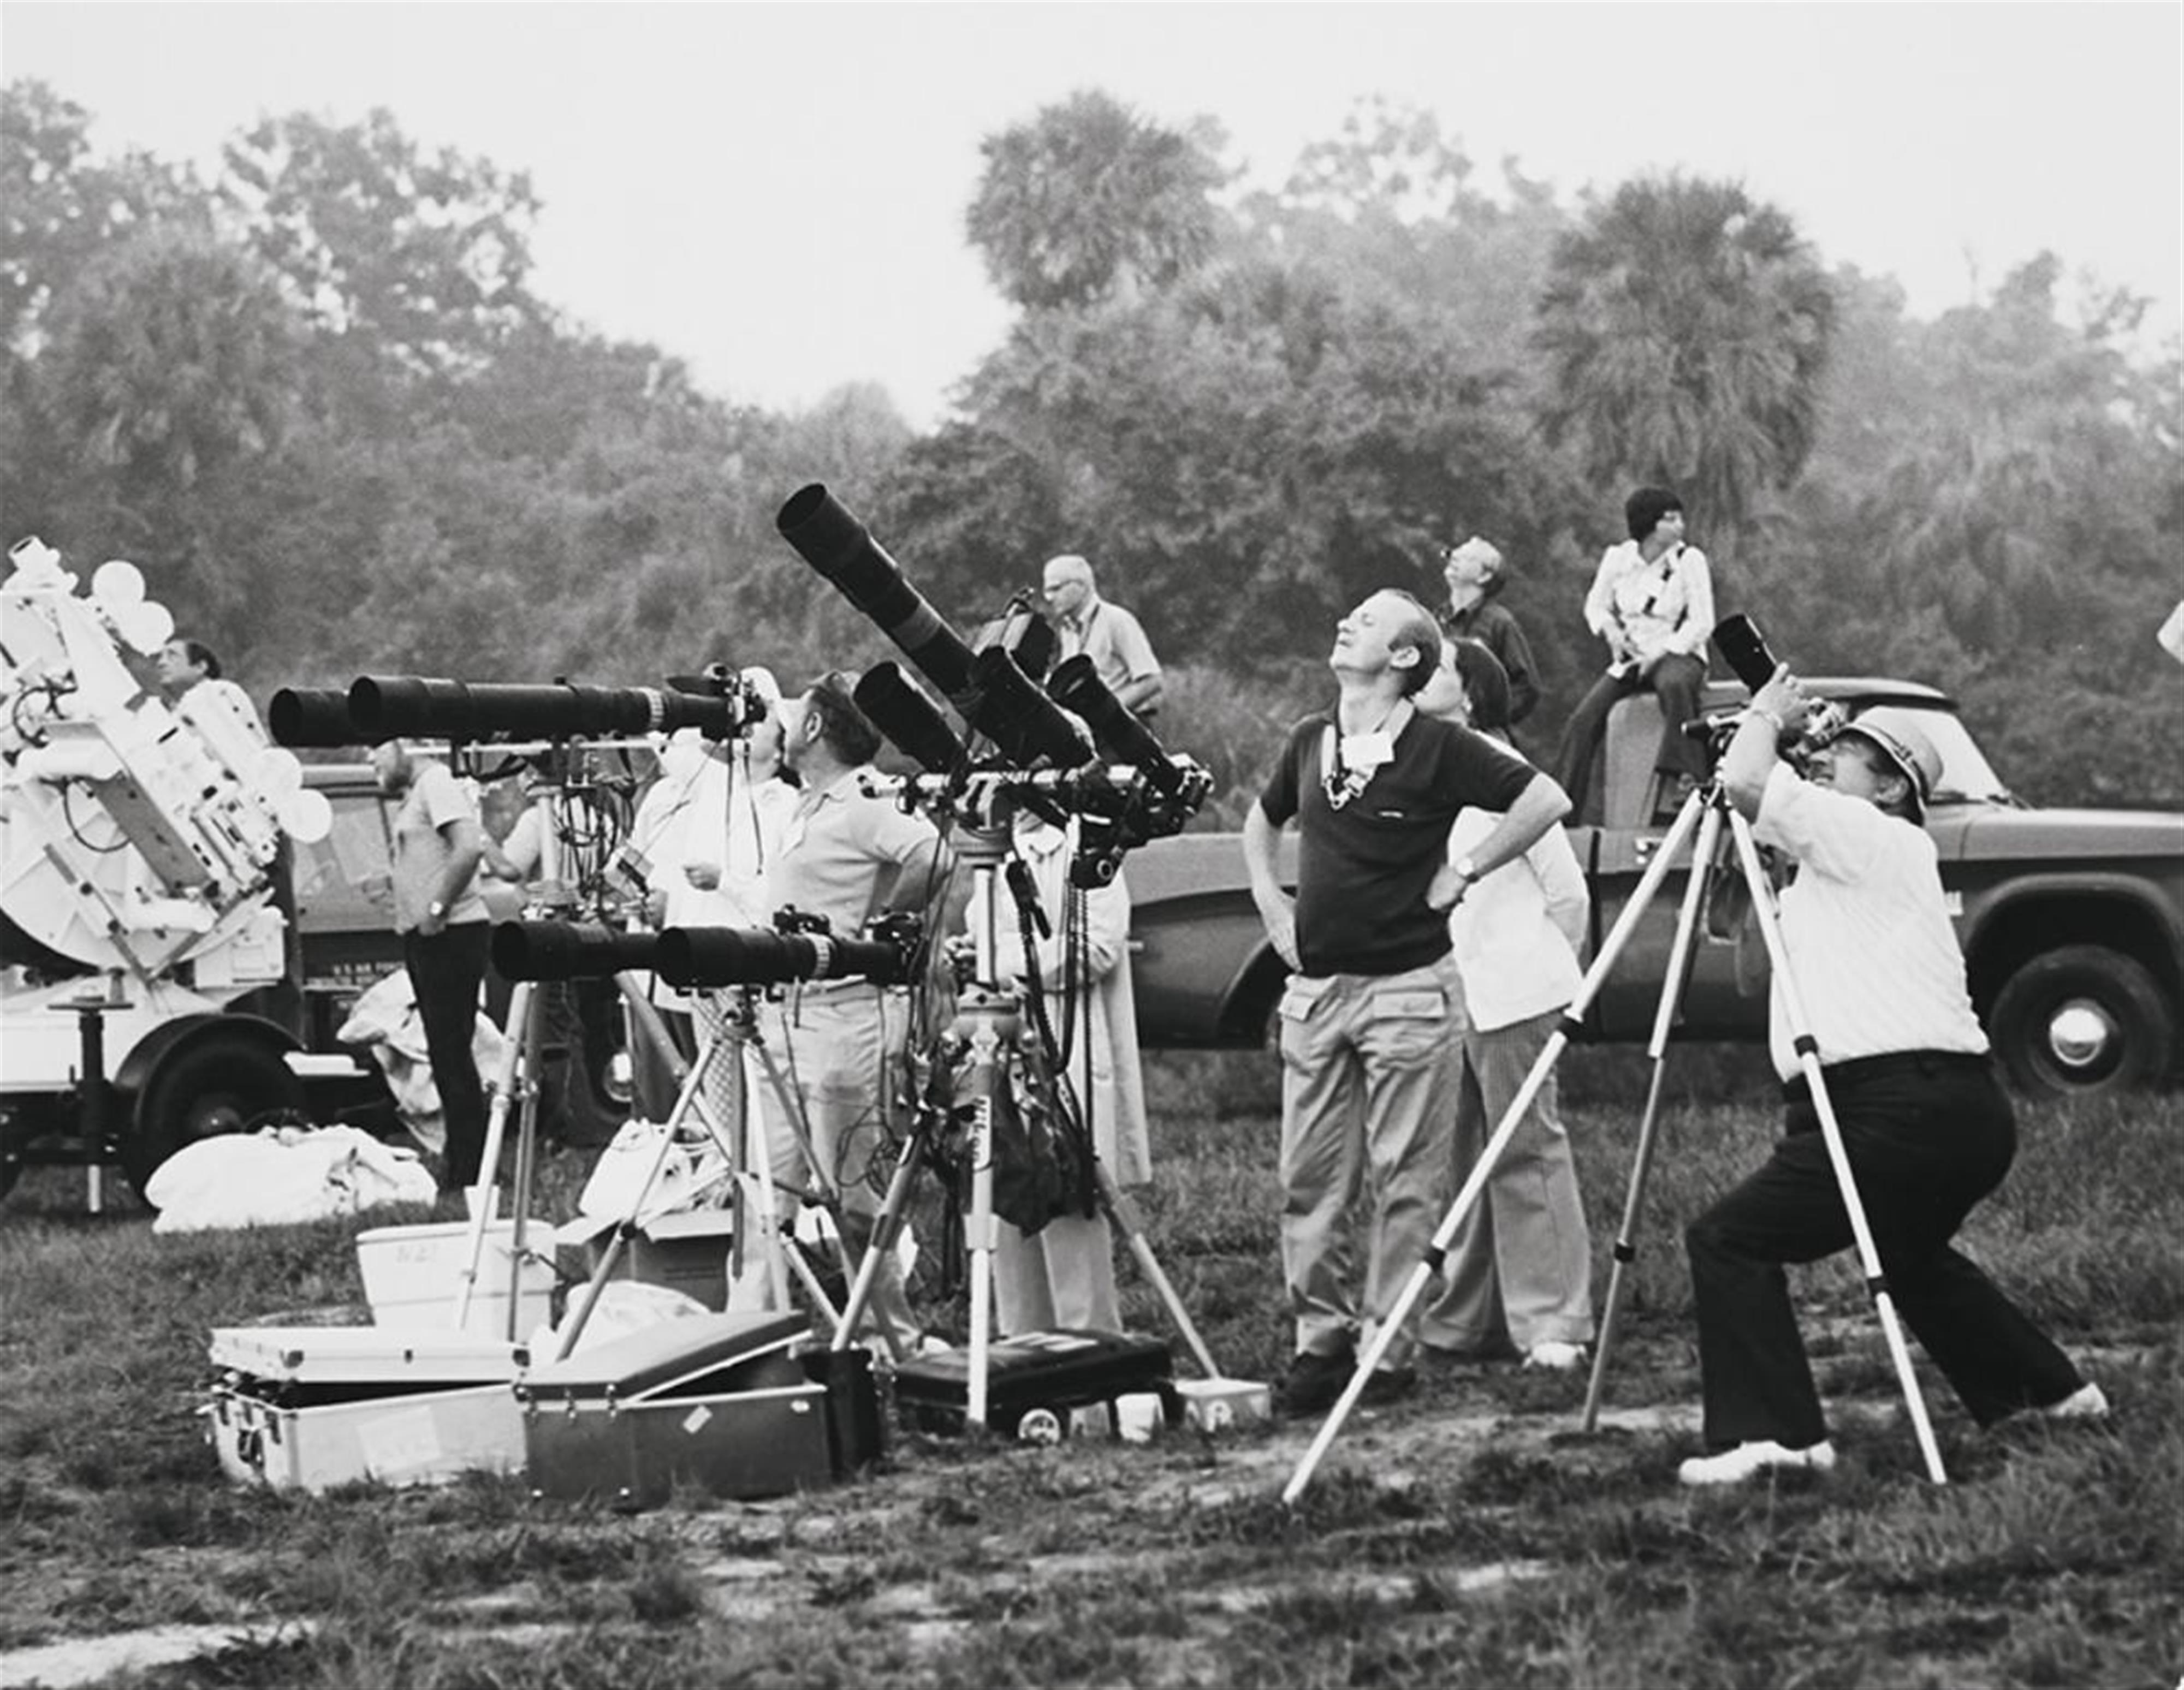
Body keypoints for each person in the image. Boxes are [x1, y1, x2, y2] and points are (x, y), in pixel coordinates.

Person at [1676, 676, 2105, 1485]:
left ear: (1891, 788)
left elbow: (1744, 780)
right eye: (1832, 748)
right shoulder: (1844, 862)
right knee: (1908, 1253)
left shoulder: (1876, 837)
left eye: (1852, 756)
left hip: (1896, 1108)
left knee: (1726, 1239)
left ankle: (1780, 1439)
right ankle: (2051, 1396)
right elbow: (1750, 963)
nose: (1830, 759)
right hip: (1941, 1109)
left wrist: (1768, 712)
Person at [1243, 588, 1572, 1414]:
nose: (1347, 620)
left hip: (1410, 995)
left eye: (1371, 619)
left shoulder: (1439, 747)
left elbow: (1544, 800)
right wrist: (1273, 907)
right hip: (1317, 995)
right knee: (1307, 1179)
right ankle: (1319, 1344)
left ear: (1403, 659)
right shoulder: (1311, 740)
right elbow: (1261, 822)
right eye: (1349, 613)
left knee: (1405, 1179)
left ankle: (1384, 1348)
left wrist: (1465, 870)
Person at [1414, 639, 1595, 1371]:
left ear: (1470, 695)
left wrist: (1541, 971)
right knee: (1460, 1158)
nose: (1418, 678)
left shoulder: (1509, 772)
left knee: (1527, 1150)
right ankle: (1468, 1320)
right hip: (1454, 994)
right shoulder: (1428, 771)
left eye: (1437, 671)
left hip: (1517, 993)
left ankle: (1555, 1324)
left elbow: (1569, 895)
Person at [757, 671, 948, 1354]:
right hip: (783, 1015)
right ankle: (756, 1333)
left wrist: (883, 928)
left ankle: (890, 1338)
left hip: (841, 1017)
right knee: (766, 1188)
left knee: (853, 1191)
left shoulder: (863, 798)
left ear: (814, 730)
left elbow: (933, 852)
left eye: (790, 719)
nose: (778, 731)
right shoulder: (803, 805)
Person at [975, 809, 1153, 1336]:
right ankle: (1022, 1352)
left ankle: (1091, 1354)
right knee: (1005, 1194)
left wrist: (998, 964)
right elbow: (974, 933)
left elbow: (1094, 948)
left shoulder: (1088, 844)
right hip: (999, 1039)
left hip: (1067, 1045)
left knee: (1069, 1197)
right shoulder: (995, 845)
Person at [368, 737, 494, 1193]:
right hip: (428, 936)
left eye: (376, 749)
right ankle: (464, 1162)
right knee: (445, 1053)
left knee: (452, 1052)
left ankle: (472, 1171)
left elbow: (468, 849)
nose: (371, 759)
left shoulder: (436, 782)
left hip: (450, 934)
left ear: (404, 746)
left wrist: (438, 907)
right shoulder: (419, 792)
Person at [1552, 488, 1714, 818]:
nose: (1680, 526)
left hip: (1676, 652)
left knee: (1674, 687)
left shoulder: (1689, 561)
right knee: (1584, 718)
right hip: (1631, 655)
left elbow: (1702, 621)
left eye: (1680, 518)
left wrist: (1660, 655)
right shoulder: (1619, 559)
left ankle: (1684, 779)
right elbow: (1595, 605)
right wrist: (1611, 632)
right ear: (1649, 524)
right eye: (1670, 519)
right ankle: (1562, 806)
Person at [1041, 553, 1164, 718]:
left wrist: (1104, 713)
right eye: (1047, 591)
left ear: (1082, 586)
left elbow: (1152, 681)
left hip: (1126, 730)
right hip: (1094, 732)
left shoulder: (1117, 620)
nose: (1049, 598)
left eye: (1056, 589)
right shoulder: (1067, 629)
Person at [1437, 537, 1541, 729]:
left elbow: (1527, 688)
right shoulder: (1436, 621)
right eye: (1454, 555)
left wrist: (1484, 719)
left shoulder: (1500, 623)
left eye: (1467, 558)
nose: (1455, 559)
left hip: (1478, 736)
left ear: (1485, 576)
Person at [155, 636, 268, 742]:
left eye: (172, 656)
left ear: (200, 667)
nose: (161, 663)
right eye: (160, 657)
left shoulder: (222, 691)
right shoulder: (173, 717)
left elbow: (255, 740)